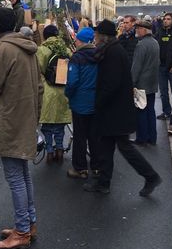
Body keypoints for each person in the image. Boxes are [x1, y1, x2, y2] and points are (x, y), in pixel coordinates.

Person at [0, 7, 41, 249]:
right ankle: (28, 223)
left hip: (8, 118)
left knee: (16, 177)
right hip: (25, 116)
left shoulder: (2, 49)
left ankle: (22, 232)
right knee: (23, 175)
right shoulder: (27, 47)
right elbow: (39, 86)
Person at [83, 19, 162, 196]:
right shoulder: (111, 50)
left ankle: (150, 176)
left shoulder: (112, 53)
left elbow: (111, 84)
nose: (94, 38)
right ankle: (104, 183)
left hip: (115, 111)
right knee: (107, 147)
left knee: (124, 148)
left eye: (96, 35)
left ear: (103, 36)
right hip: (115, 110)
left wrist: (98, 103)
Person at [64, 27, 100, 179]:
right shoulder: (99, 55)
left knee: (80, 136)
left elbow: (72, 82)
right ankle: (97, 167)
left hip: (80, 102)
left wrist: (67, 94)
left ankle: (80, 168)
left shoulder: (77, 58)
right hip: (96, 102)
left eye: (77, 39)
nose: (75, 41)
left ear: (81, 41)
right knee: (95, 136)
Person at [37, 25, 72, 163]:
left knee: (47, 124)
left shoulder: (42, 50)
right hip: (63, 90)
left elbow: (37, 70)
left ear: (45, 36)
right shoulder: (66, 49)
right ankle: (59, 149)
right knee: (60, 124)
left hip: (47, 90)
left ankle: (50, 152)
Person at [131, 20, 160, 146]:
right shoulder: (155, 43)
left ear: (144, 30)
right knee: (150, 111)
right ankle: (152, 137)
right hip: (152, 82)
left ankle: (141, 138)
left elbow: (136, 66)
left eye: (138, 28)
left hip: (142, 84)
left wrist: (131, 83)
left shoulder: (141, 45)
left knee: (141, 111)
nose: (136, 30)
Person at [155, 12, 172, 120]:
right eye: (165, 19)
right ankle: (166, 112)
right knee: (163, 92)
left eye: (168, 19)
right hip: (161, 66)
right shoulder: (159, 31)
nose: (166, 21)